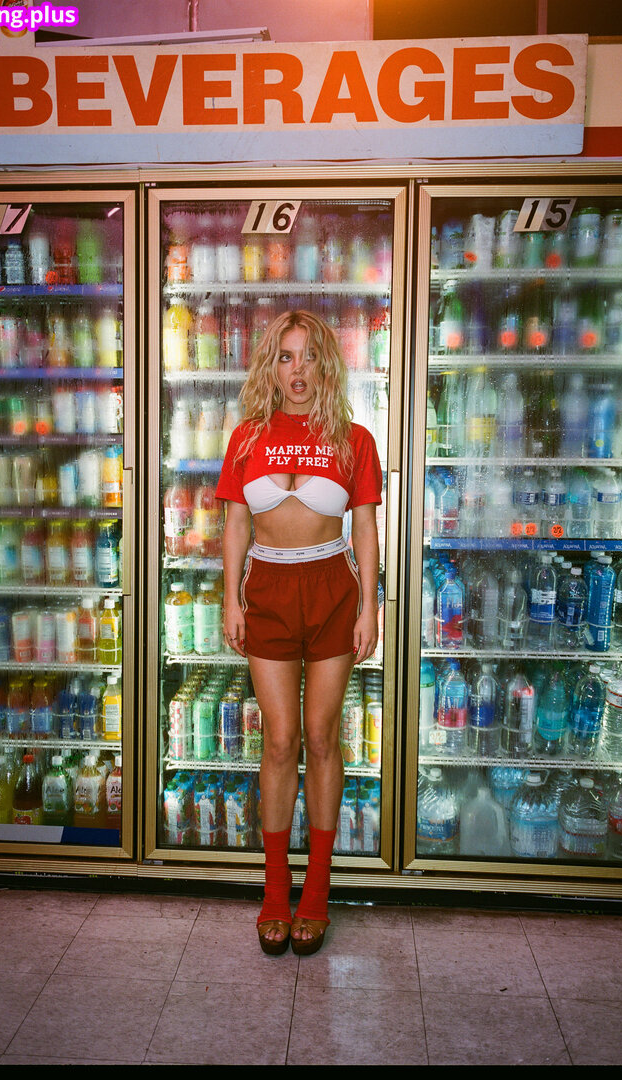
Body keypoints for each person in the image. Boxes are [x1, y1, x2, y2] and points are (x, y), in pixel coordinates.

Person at [215, 309, 382, 956]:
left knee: (321, 736)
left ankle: (317, 888)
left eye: (309, 355)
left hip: (332, 590)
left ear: (326, 365)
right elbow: (236, 524)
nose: (298, 370)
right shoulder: (246, 438)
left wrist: (369, 606)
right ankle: (275, 888)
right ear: (270, 367)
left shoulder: (353, 439)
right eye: (285, 357)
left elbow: (364, 527)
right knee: (280, 741)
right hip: (269, 592)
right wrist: (230, 598)